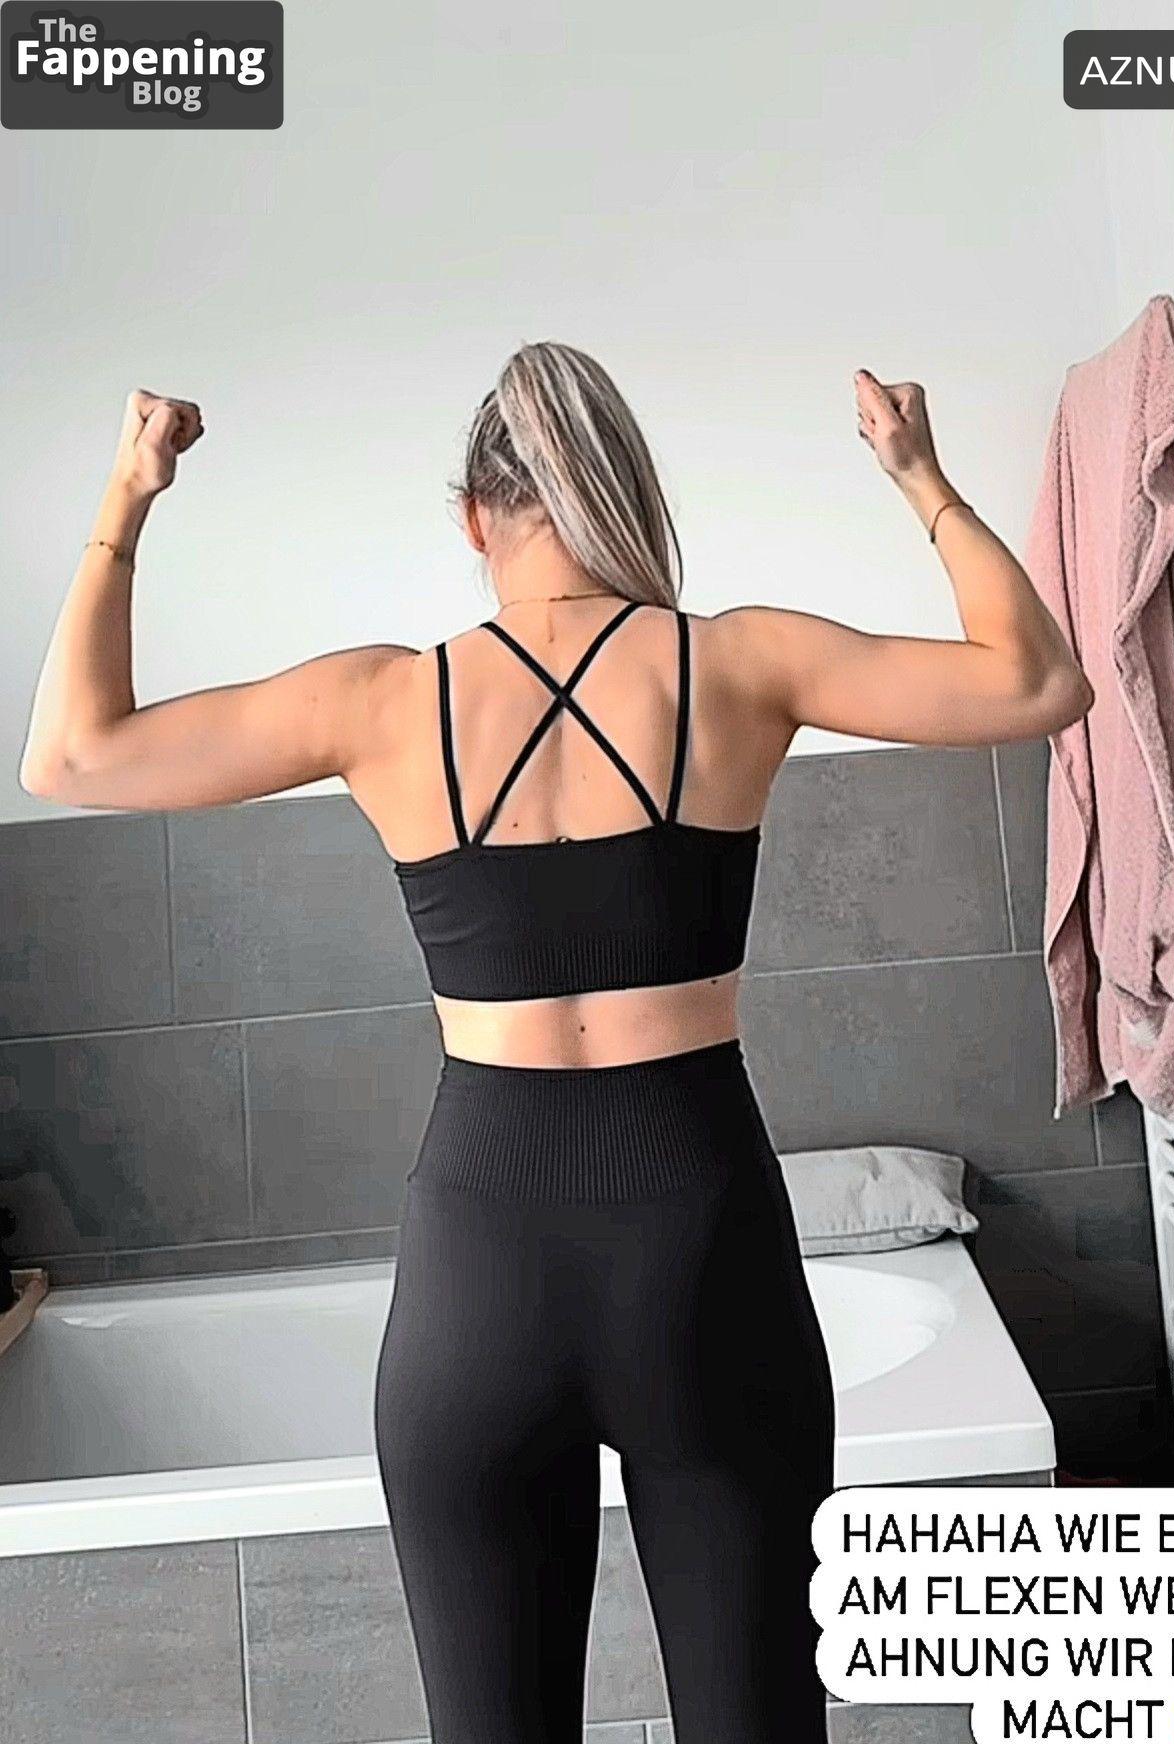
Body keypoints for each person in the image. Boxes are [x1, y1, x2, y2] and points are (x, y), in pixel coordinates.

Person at [20, 343, 1091, 1744]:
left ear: (475, 519)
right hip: (700, 1248)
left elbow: (72, 755)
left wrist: (129, 493)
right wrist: (919, 476)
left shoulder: (381, 702)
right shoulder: (739, 664)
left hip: (483, 1264)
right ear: (624, 496)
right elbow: (1037, 682)